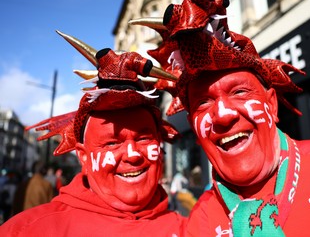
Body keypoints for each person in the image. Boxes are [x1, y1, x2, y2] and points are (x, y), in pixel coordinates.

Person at [129, 0, 310, 236]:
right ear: (193, 129)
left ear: (271, 104)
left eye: (239, 91)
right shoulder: (197, 223)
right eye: (203, 102)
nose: (222, 115)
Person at [0, 31, 187, 236]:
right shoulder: (26, 231)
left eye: (143, 138)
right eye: (112, 143)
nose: (132, 154)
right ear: (84, 157)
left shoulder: (192, 228)